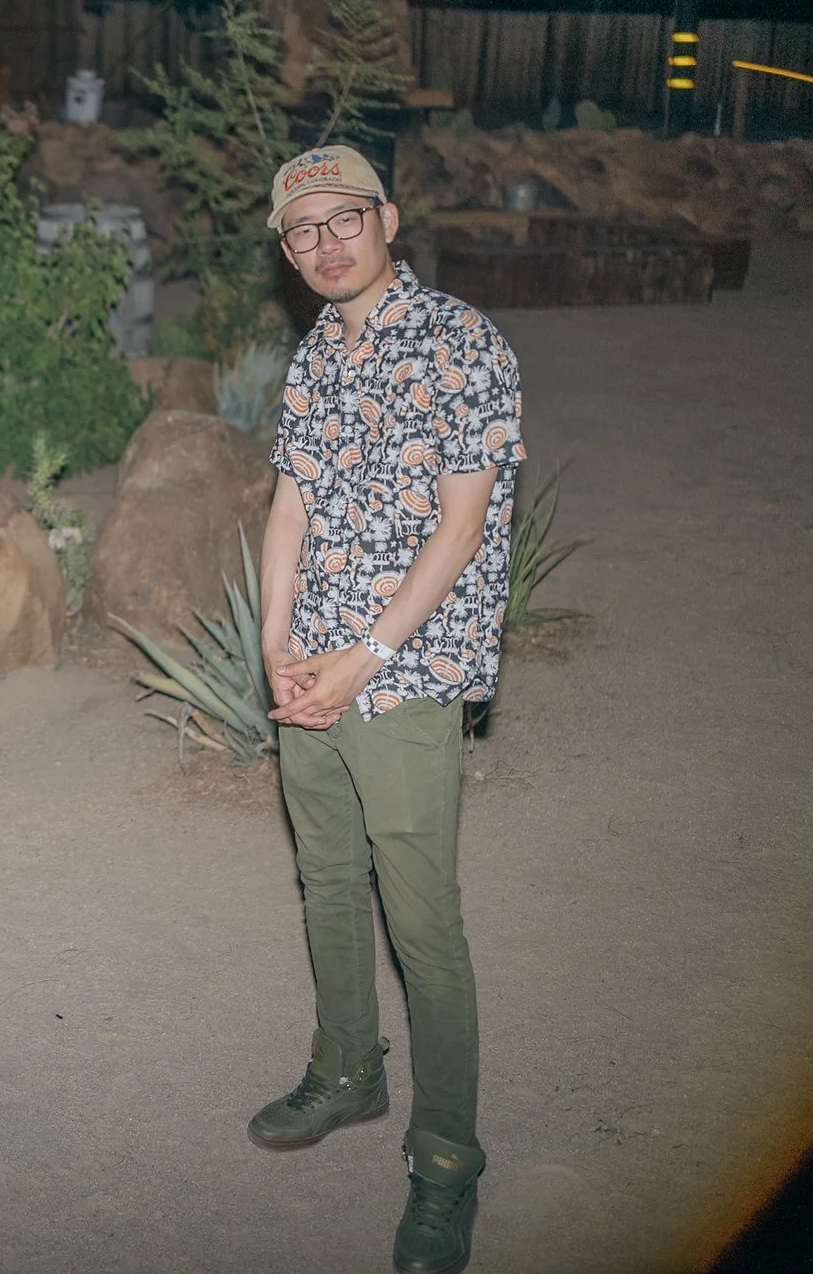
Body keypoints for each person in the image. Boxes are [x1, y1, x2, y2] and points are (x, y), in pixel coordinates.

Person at [246, 145, 524, 1274]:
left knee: (424, 923)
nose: (322, 243)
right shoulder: (318, 352)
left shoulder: (464, 344)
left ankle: (447, 1157)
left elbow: (459, 530)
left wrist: (360, 657)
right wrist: (274, 645)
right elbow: (288, 505)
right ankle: (348, 1070)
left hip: (403, 678)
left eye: (341, 219)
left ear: (387, 219)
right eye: (300, 230)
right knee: (322, 877)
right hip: (310, 670)